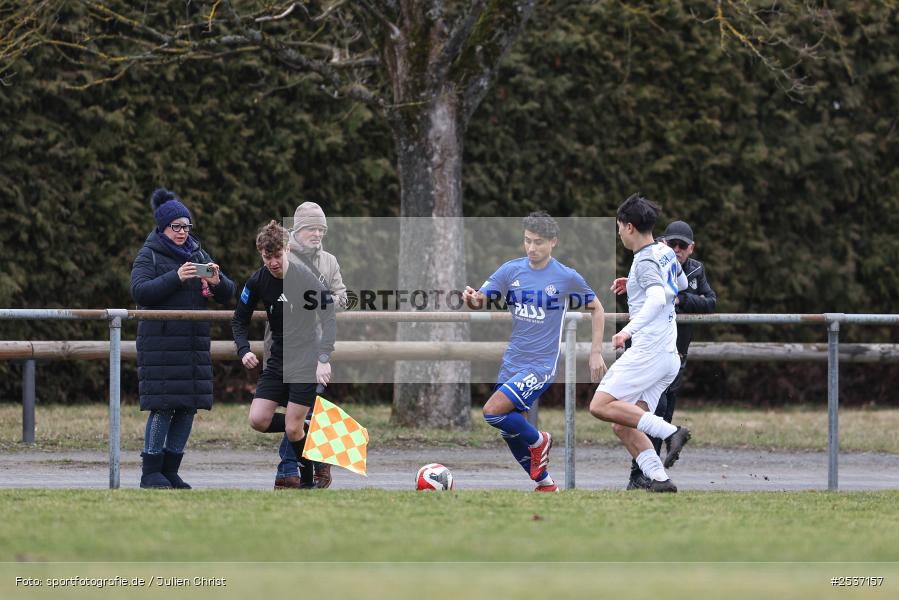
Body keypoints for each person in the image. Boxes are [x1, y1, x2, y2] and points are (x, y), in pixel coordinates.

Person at [463, 211, 607, 492]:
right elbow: (480, 300)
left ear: (553, 242)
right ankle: (545, 484)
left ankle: (540, 441)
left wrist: (595, 352)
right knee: (508, 428)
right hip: (512, 361)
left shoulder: (566, 277)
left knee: (492, 412)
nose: (531, 248)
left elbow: (597, 309)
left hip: (541, 365)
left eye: (538, 242)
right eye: (527, 241)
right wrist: (472, 299)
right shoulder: (511, 270)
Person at [130, 187, 235, 489]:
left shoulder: (198, 253)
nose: (182, 232)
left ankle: (171, 469)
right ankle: (150, 471)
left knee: (188, 407)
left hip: (193, 344)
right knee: (163, 406)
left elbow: (228, 292)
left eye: (186, 226)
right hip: (160, 345)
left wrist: (216, 281)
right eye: (176, 226)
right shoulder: (148, 254)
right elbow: (140, 291)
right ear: (162, 227)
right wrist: (176, 277)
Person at [589, 194, 691, 493]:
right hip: (668, 357)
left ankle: (672, 432)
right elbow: (679, 285)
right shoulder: (663, 251)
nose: (619, 233)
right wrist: (633, 285)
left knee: (600, 404)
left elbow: (658, 298)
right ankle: (660, 480)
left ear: (629, 226)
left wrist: (627, 331)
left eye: (619, 227)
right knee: (623, 424)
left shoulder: (645, 260)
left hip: (649, 352)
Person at [232, 221, 336, 489]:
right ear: (261, 255)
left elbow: (328, 316)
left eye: (277, 256)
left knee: (292, 429)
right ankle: (313, 428)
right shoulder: (257, 280)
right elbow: (239, 320)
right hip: (277, 361)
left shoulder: (305, 278)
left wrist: (324, 358)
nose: (273, 263)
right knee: (258, 419)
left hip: (304, 361)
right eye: (267, 258)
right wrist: (243, 350)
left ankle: (307, 481)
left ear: (287, 249)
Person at [613, 220, 717, 489]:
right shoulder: (653, 260)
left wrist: (679, 298)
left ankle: (656, 470)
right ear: (663, 242)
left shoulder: (691, 270)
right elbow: (655, 294)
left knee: (653, 413)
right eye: (673, 244)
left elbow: (707, 301)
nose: (677, 249)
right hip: (650, 351)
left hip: (672, 353)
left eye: (683, 245)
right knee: (635, 415)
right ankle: (646, 474)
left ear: (691, 248)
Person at [263, 202, 348, 490]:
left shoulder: (330, 262)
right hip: (283, 346)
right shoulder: (280, 254)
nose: (317, 234)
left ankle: (289, 469)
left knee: (301, 411)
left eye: (321, 229)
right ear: (297, 230)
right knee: (294, 414)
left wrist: (333, 301)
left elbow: (342, 296)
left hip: (314, 348)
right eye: (311, 228)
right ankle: (316, 458)